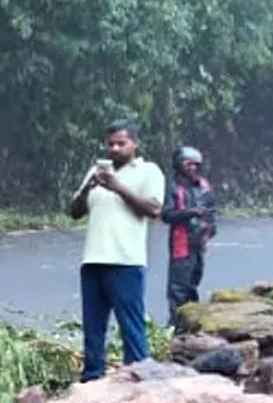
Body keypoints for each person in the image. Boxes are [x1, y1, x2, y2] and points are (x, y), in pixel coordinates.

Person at [65, 122, 167, 381]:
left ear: (135, 144)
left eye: (121, 143)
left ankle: (138, 378)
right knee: (93, 328)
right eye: (111, 143)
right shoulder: (95, 172)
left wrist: (117, 187)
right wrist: (90, 186)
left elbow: (154, 210)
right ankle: (92, 378)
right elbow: (74, 212)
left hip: (126, 261)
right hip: (93, 259)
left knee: (131, 326)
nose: (115, 148)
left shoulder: (148, 171)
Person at [161, 146, 218, 326]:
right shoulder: (173, 187)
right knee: (178, 287)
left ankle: (191, 323)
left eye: (196, 165)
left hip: (198, 243)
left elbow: (212, 212)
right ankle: (176, 326)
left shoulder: (203, 186)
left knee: (193, 283)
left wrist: (209, 234)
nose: (192, 168)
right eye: (188, 164)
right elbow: (166, 215)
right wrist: (190, 212)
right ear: (179, 165)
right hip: (181, 243)